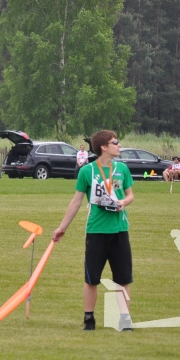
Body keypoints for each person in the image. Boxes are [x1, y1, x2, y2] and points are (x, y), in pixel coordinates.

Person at [52, 129, 135, 331]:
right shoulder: (87, 171)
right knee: (91, 279)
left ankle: (125, 319)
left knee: (122, 278)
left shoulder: (122, 169)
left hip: (119, 230)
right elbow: (76, 201)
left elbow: (130, 195)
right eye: (115, 142)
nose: (119, 145)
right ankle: (89, 319)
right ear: (104, 147)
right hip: (96, 231)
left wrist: (123, 202)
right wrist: (62, 227)